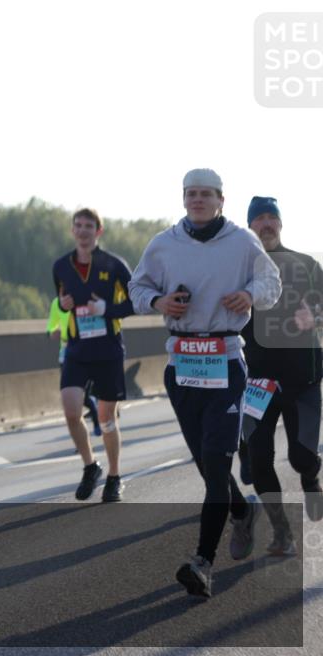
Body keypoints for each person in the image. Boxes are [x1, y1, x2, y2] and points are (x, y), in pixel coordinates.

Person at [129, 168, 282, 598]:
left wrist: (249, 295)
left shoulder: (242, 241)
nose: (197, 200)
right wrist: (159, 300)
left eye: (206, 194)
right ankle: (241, 510)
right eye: (191, 193)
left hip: (225, 361)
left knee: (216, 463)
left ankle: (202, 562)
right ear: (183, 199)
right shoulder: (163, 244)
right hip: (181, 364)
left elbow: (271, 281)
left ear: (220, 200)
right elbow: (136, 289)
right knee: (204, 463)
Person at [241, 196, 323, 556]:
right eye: (258, 218)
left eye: (271, 217)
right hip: (257, 382)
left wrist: (315, 317)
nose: (266, 224)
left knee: (300, 457)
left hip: (303, 379)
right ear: (250, 226)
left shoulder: (306, 264)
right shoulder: (240, 269)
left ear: (280, 223)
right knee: (259, 461)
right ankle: (282, 533)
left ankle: (311, 477)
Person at [52, 208, 136, 502]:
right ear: (72, 230)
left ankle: (114, 476)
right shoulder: (61, 266)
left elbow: (136, 302)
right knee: (71, 410)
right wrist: (63, 305)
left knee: (106, 417)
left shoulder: (114, 265)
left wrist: (106, 309)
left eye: (89, 226)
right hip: (77, 349)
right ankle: (90, 466)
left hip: (108, 349)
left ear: (98, 231)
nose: (83, 230)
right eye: (78, 225)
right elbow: (62, 301)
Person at [47, 296, 102, 437]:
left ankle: (97, 420)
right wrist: (54, 333)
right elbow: (50, 328)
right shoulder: (56, 302)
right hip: (66, 351)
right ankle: (90, 422)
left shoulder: (85, 295)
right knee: (73, 396)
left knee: (85, 394)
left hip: (87, 348)